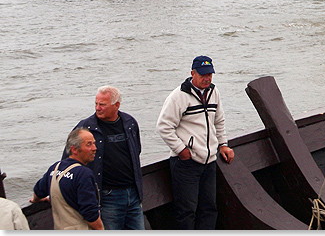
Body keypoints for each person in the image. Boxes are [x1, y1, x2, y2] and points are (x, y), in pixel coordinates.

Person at [156, 56, 234, 230]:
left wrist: (223, 144)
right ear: (193, 73)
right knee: (187, 210)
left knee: (209, 208)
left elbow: (219, 121)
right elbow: (163, 126)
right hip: (186, 164)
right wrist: (181, 149)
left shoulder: (214, 92)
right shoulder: (179, 96)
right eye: (203, 75)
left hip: (209, 162)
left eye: (210, 74)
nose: (207, 78)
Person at [67, 86, 144, 230]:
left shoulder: (130, 123)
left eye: (102, 104)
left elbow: (137, 151)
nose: (97, 108)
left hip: (133, 194)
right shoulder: (86, 128)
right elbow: (69, 161)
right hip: (107, 196)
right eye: (96, 104)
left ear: (117, 105)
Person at [31, 128, 103, 230]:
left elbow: (38, 191)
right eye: (89, 144)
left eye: (94, 143)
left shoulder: (55, 168)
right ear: (74, 149)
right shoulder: (83, 174)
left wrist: (36, 199)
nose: (94, 148)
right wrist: (101, 229)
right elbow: (89, 212)